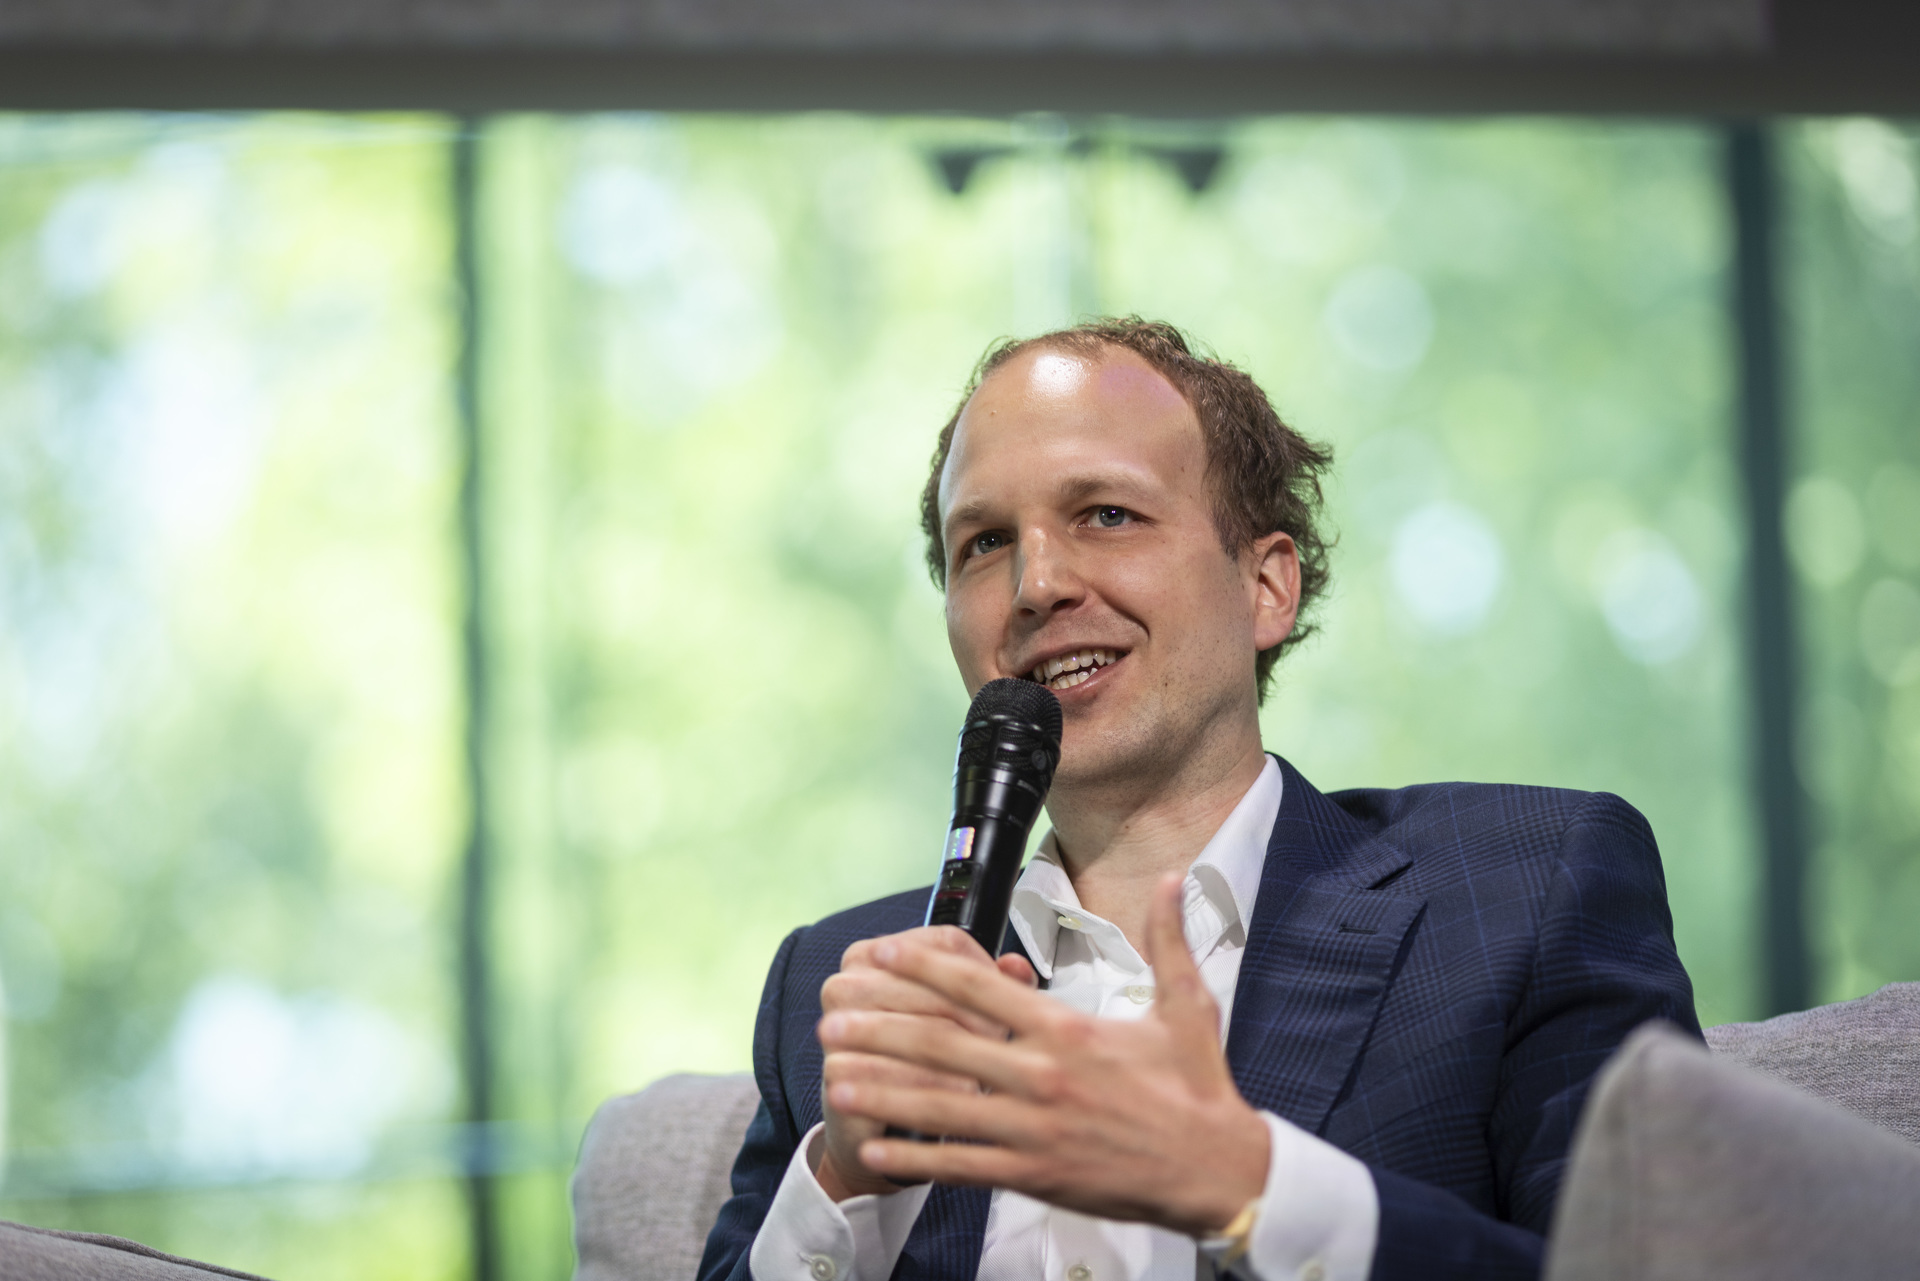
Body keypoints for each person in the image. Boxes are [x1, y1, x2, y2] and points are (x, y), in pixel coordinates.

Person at [698, 318, 1698, 1281]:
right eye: (986, 543)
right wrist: (847, 1187)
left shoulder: (1526, 891)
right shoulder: (839, 991)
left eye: (1106, 514)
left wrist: (1252, 1185)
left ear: (1267, 587)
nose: (1037, 584)